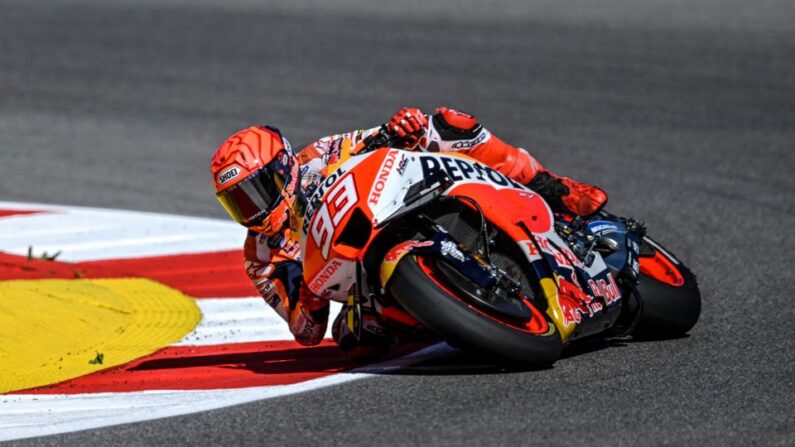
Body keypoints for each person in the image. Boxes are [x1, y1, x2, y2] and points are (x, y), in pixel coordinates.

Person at [210, 107, 607, 356]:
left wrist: (400, 127)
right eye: (237, 203)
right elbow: (305, 332)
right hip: (365, 286)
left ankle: (554, 187)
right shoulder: (262, 257)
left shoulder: (318, 156)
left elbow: (374, 139)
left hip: (395, 206)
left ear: (283, 169)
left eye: (254, 193)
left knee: (449, 125)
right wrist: (310, 297)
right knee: (350, 334)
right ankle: (456, 311)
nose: (252, 210)